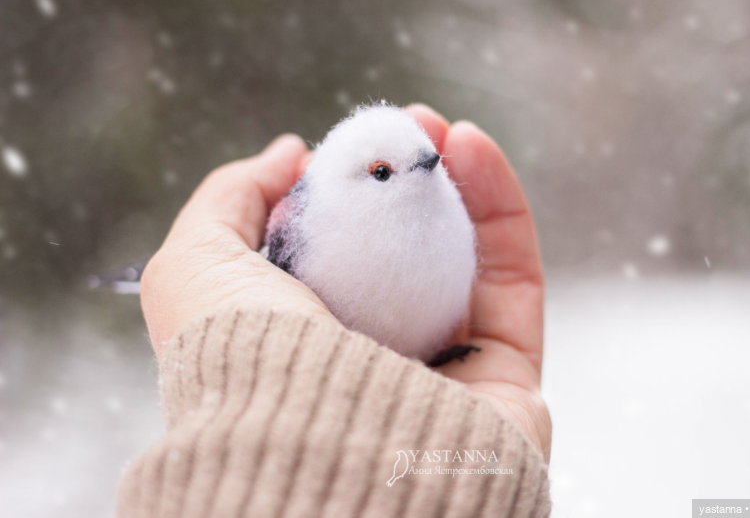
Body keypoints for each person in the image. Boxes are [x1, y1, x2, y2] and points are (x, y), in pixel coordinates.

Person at [115, 104, 552, 517]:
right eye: (382, 172)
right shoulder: (314, 223)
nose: (426, 166)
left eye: (425, 156)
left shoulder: (445, 209)